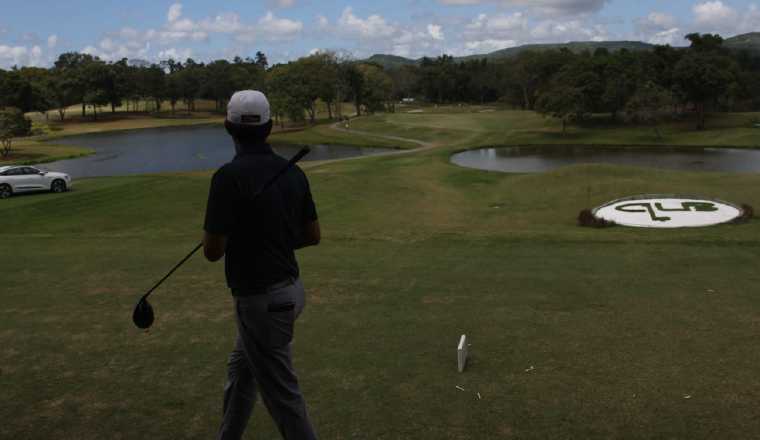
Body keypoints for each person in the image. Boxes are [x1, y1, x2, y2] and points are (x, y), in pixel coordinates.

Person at [203, 90, 321, 440]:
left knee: (283, 399)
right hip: (290, 291)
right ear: (270, 127)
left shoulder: (227, 177)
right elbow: (312, 235)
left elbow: (213, 250)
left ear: (228, 127)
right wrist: (273, 238)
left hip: (260, 302)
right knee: (241, 373)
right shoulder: (293, 172)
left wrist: (249, 237)